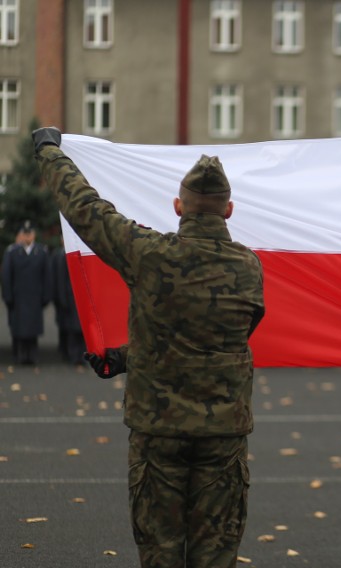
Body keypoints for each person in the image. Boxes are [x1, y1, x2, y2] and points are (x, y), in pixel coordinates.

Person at [33, 126, 265, 568]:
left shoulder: (151, 255)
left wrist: (49, 151)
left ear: (178, 207)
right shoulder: (248, 268)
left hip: (158, 432)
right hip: (223, 436)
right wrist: (126, 358)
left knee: (159, 554)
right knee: (216, 556)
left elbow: (88, 211)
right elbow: (222, 339)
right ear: (229, 210)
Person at [1, 221, 52, 365]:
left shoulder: (41, 252)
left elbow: (47, 277)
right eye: (25, 234)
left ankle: (33, 356)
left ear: (34, 235)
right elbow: (6, 277)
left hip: (35, 298)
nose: (27, 236)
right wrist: (8, 297)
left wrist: (45, 297)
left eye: (30, 233)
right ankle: (21, 356)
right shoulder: (12, 252)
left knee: (33, 331)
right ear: (21, 235)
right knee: (20, 330)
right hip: (18, 298)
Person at [52, 240, 86, 365]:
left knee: (82, 329)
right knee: (72, 329)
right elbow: (61, 280)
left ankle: (82, 356)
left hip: (82, 298)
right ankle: (73, 355)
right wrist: (62, 299)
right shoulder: (64, 256)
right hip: (70, 297)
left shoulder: (83, 254)